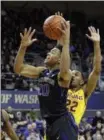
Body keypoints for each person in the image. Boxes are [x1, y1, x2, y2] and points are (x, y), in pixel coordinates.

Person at [14, 12, 78, 140]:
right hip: (50, 124)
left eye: (53, 52)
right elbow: (18, 68)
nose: (49, 52)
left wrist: (65, 42)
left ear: (59, 60)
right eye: (50, 51)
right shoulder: (42, 71)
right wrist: (22, 47)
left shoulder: (63, 76)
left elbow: (65, 67)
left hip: (63, 123)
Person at [67, 26, 102, 126]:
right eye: (72, 74)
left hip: (70, 132)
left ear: (82, 81)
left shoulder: (84, 92)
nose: (73, 75)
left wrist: (96, 44)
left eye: (76, 74)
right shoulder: (63, 88)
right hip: (53, 131)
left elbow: (96, 70)